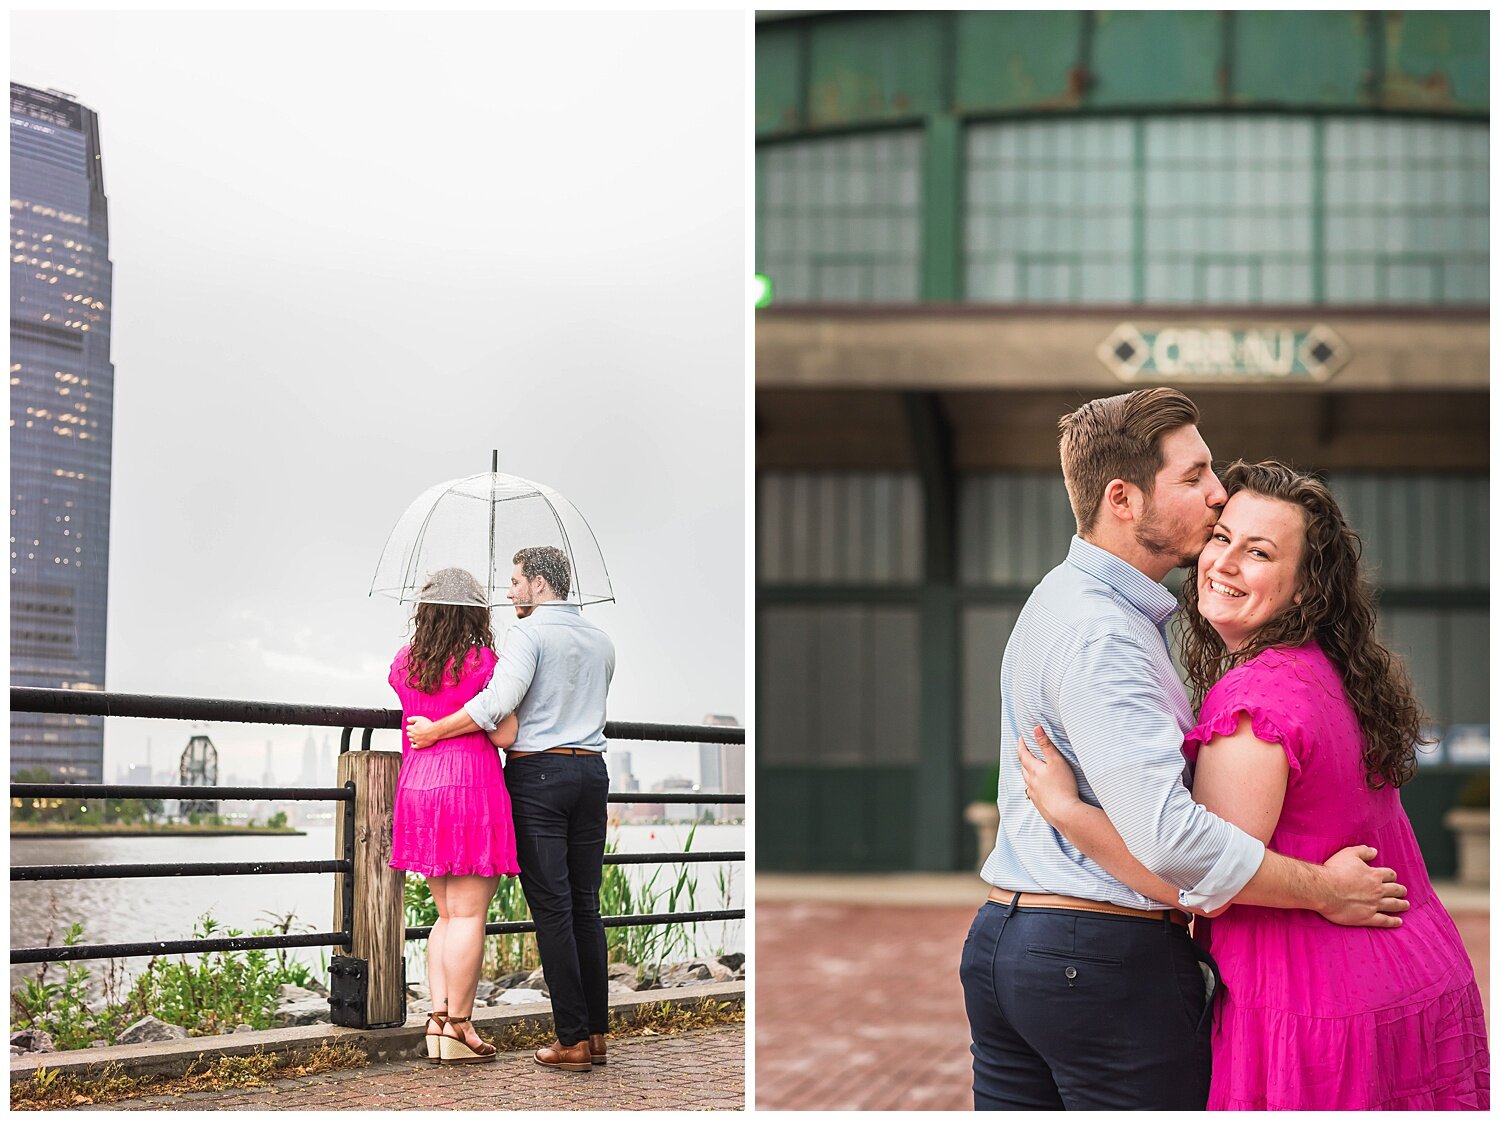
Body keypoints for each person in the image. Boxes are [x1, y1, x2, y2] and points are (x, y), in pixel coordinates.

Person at [960, 388, 1408, 1111]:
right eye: (1195, 475)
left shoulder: (1063, 596)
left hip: (1015, 943)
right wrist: (1326, 889)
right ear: (1123, 499)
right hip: (1099, 958)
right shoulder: (1104, 634)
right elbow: (1176, 841)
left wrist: (1071, 816)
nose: (1217, 491)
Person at [1019, 460, 1489, 1110]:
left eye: (1259, 551)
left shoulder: (1254, 697)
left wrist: (1069, 811)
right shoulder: (1334, 672)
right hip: (1413, 977)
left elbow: (1203, 882)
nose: (1225, 562)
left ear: (1305, 590)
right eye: (1222, 537)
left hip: (1320, 1010)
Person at [407, 545, 615, 1073]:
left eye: (517, 581)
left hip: (538, 776)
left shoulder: (530, 634)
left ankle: (569, 1040)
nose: (510, 591)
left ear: (540, 583)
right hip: (592, 772)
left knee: (552, 909)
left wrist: (433, 730)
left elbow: (496, 708)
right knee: (586, 907)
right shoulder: (601, 640)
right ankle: (595, 1034)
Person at [387, 567, 520, 1065]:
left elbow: (417, 712)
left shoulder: (405, 662)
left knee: (446, 914)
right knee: (468, 914)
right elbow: (505, 733)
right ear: (475, 615)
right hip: (469, 786)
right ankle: (460, 1026)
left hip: (419, 786)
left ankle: (437, 1021)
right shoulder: (483, 662)